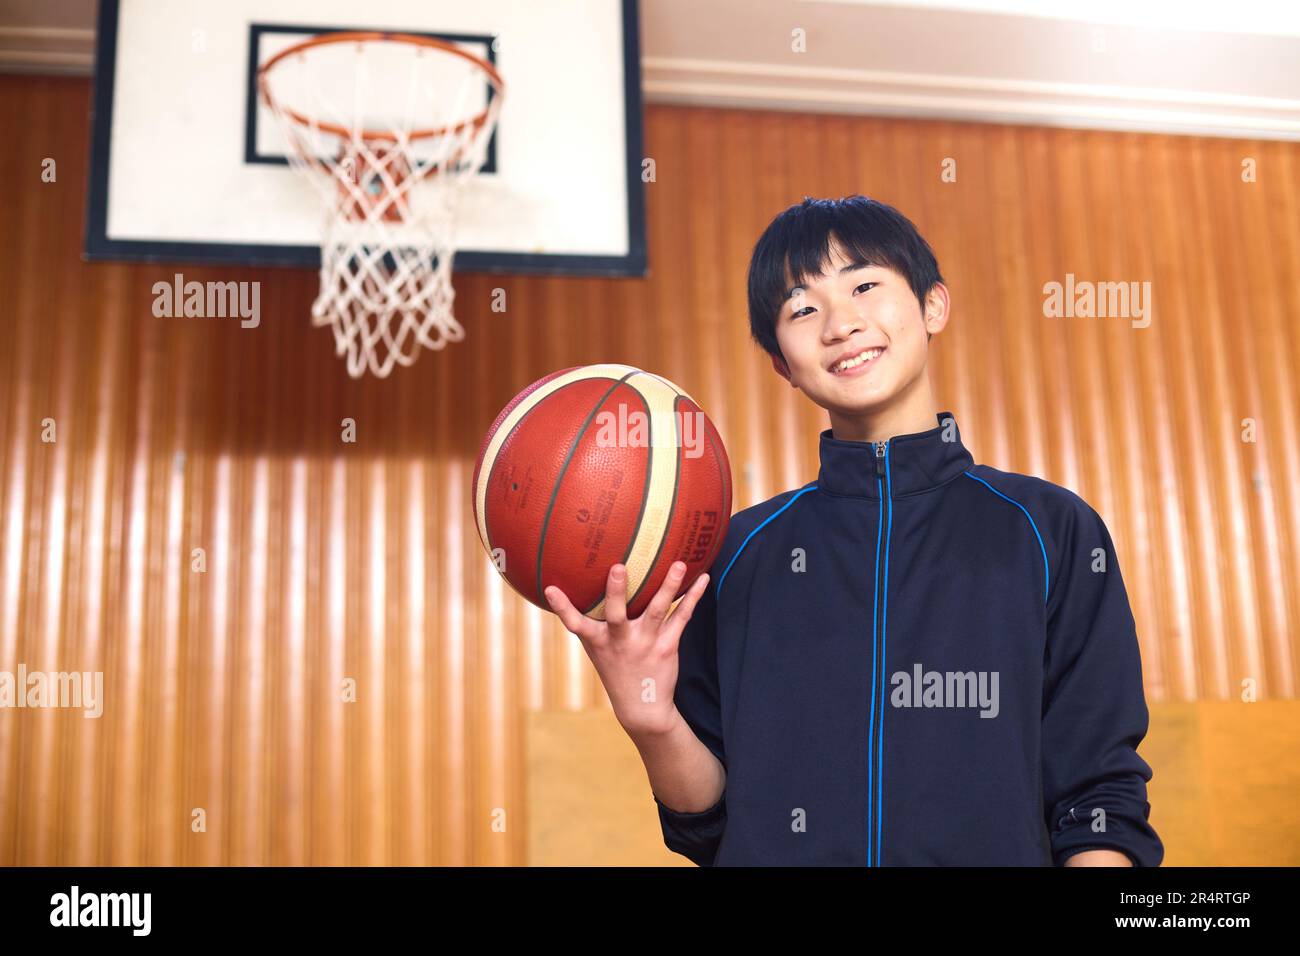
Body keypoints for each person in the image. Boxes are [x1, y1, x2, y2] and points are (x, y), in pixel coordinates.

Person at [545, 194, 1163, 867]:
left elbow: (1097, 796)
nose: (841, 322)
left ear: (933, 306)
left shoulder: (1049, 531)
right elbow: (710, 825)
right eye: (802, 308)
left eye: (865, 284)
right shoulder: (733, 556)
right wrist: (652, 722)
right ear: (782, 364)